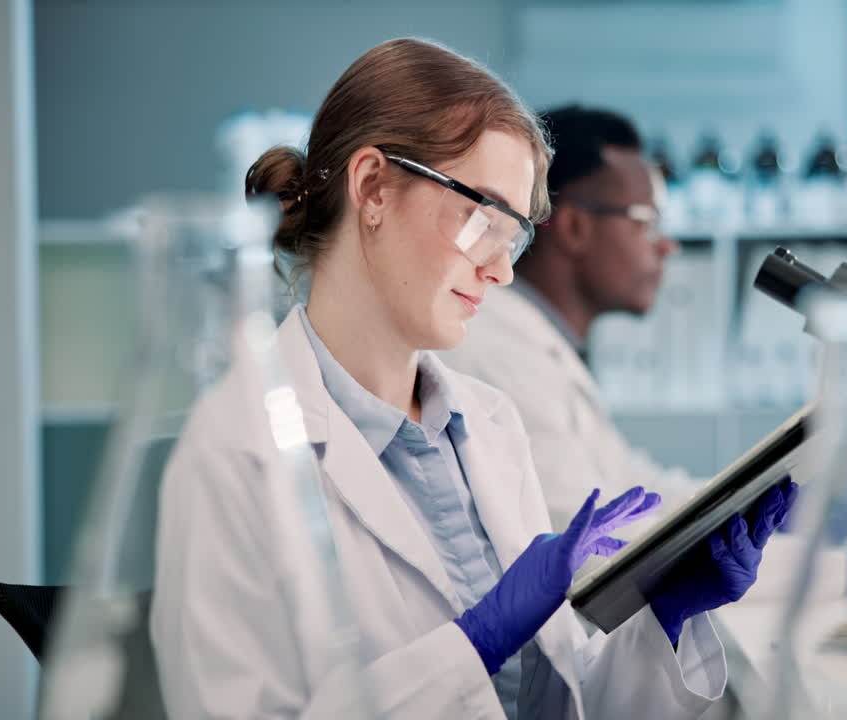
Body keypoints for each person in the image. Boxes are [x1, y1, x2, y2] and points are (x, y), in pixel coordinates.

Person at [150, 39, 797, 719]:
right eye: (481, 215)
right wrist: (476, 643)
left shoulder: (488, 424)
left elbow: (563, 699)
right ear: (373, 187)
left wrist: (664, 617)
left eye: (512, 234)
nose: (502, 269)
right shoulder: (234, 455)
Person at [441, 105, 847, 597]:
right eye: (646, 221)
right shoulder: (500, 354)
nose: (667, 246)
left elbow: (636, 495)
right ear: (574, 230)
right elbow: (593, 542)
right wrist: (836, 572)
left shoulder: (542, 347)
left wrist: (762, 511)